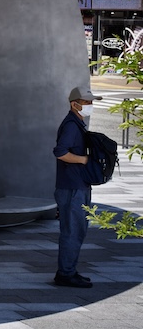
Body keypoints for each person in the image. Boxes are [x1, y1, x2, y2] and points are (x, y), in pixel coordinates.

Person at [53, 86, 98, 289]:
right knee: (72, 231)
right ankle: (65, 274)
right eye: (87, 102)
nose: (90, 105)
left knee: (77, 230)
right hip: (72, 187)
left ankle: (69, 270)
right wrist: (84, 160)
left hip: (77, 185)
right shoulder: (71, 125)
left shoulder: (77, 124)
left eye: (91, 102)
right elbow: (60, 152)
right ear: (75, 104)